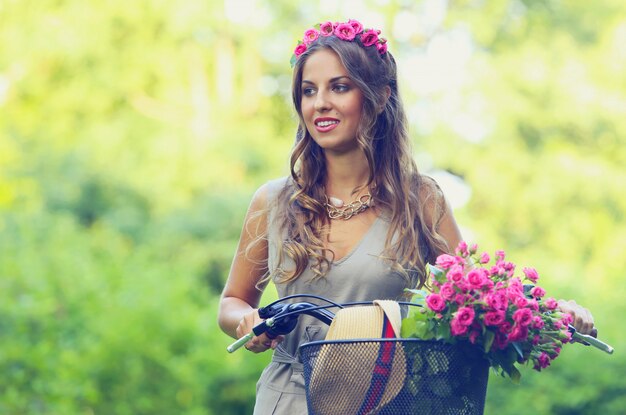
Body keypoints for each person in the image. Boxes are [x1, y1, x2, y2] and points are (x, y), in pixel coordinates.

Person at [218, 19, 595, 414]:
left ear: (379, 96)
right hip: (289, 399)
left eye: (340, 87)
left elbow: (483, 301)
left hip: (387, 401)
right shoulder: (274, 201)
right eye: (308, 91)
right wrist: (248, 320)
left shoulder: (420, 200)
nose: (320, 103)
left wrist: (554, 312)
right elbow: (232, 301)